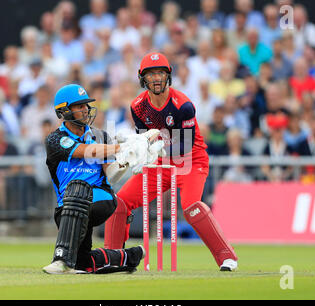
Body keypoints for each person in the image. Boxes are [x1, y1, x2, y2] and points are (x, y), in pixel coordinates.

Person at [103, 52, 238, 272]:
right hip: (160, 161)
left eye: (160, 73)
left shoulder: (183, 105)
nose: (156, 78)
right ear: (142, 78)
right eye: (151, 74)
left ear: (168, 76)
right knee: (120, 201)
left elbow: (184, 147)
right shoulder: (137, 106)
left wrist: (154, 150)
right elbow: (144, 138)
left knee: (191, 207)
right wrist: (138, 151)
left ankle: (227, 257)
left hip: (191, 161)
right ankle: (112, 257)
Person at [42, 84, 157, 274]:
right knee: (82, 261)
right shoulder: (55, 140)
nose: (86, 110)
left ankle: (61, 259)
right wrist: (123, 148)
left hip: (100, 198)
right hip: (67, 207)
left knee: (78, 189)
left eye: (86, 105)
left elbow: (111, 174)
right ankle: (129, 256)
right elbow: (86, 151)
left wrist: (126, 162)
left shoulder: (101, 136)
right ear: (64, 111)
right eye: (79, 106)